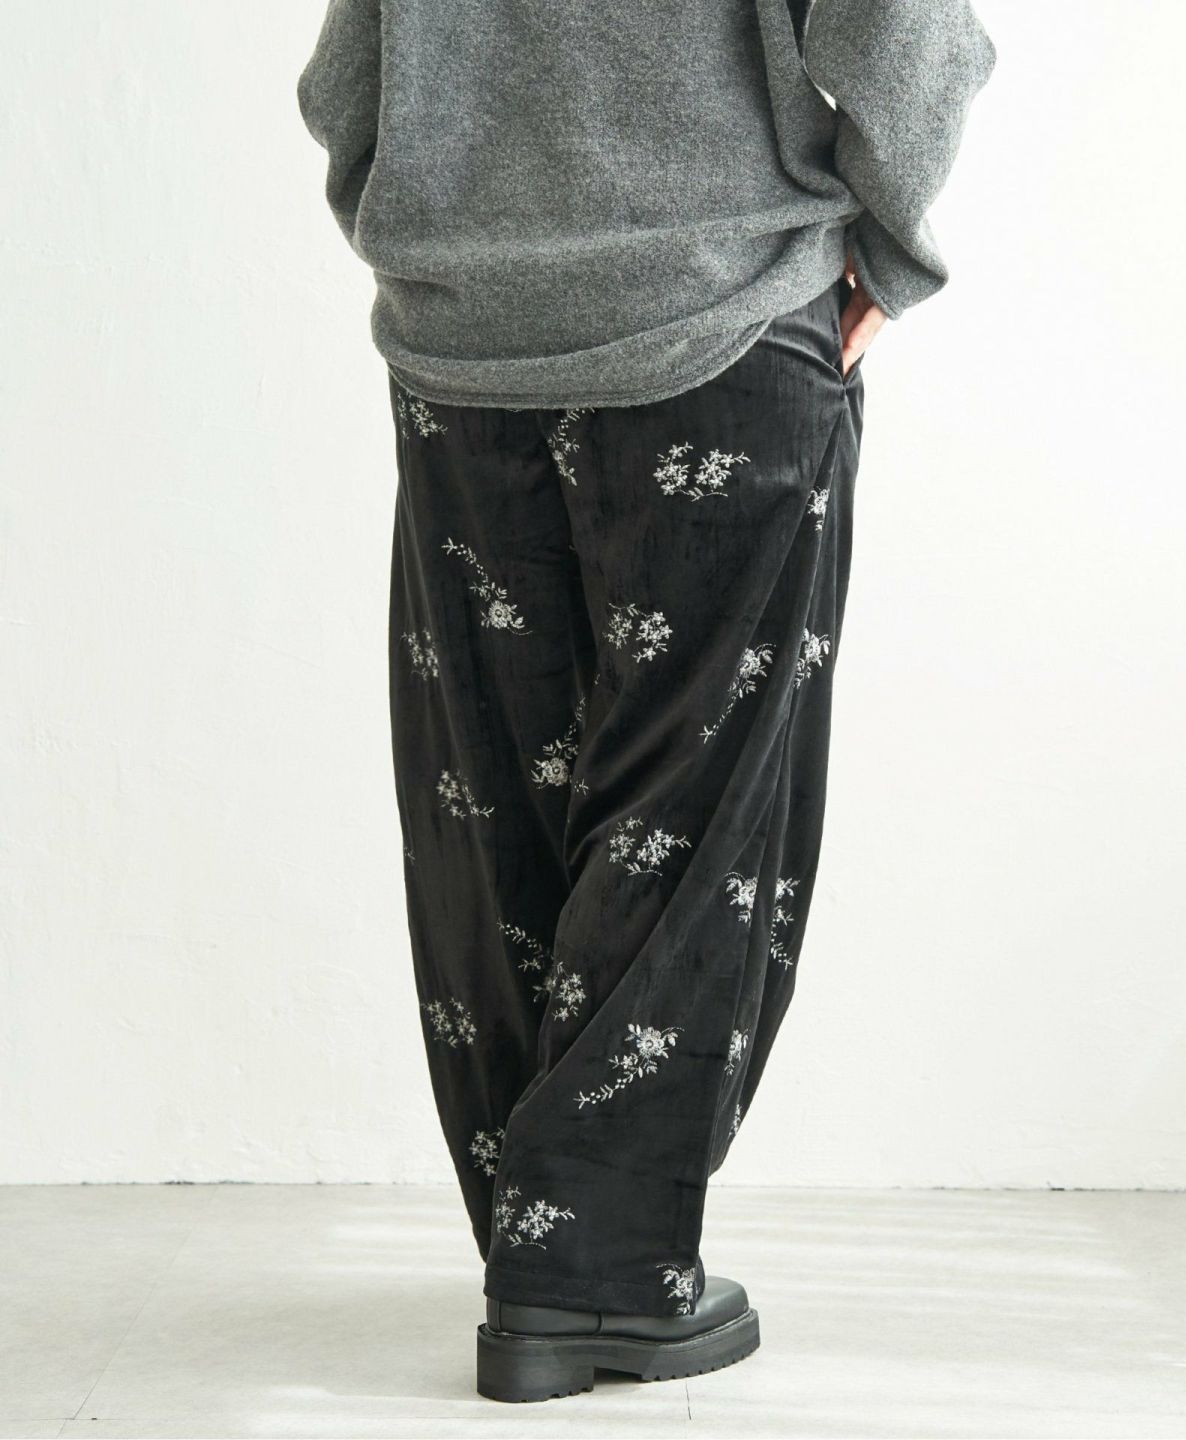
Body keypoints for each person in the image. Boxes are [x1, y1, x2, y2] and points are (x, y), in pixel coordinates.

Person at [298, 0, 995, 1404]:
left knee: (491, 806)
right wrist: (888, 249)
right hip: (721, 311)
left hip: (467, 340)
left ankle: (543, 1249)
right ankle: (592, 1268)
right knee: (695, 820)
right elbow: (900, 22)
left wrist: (439, 228)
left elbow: (349, 73)